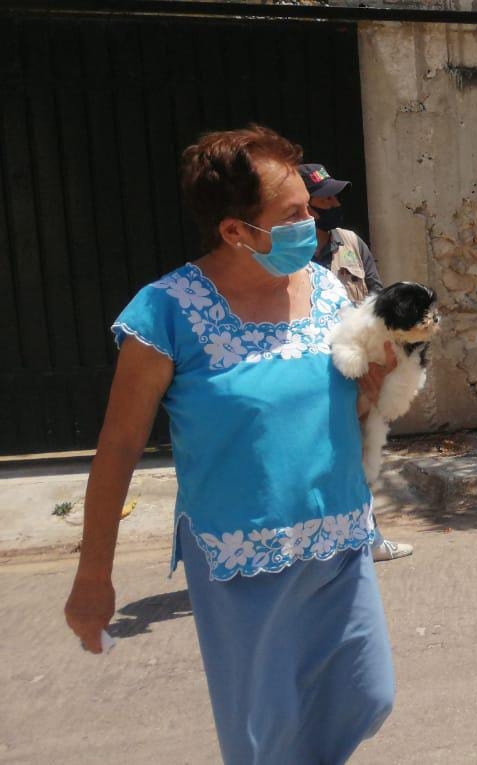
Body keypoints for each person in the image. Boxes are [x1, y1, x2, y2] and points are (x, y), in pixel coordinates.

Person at [64, 126, 395, 764]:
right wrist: (93, 576)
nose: (313, 224)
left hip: (339, 541)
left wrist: (374, 385)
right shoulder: (166, 312)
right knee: (265, 738)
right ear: (235, 231)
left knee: (366, 695)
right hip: (243, 558)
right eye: (293, 214)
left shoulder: (326, 291)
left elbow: (345, 406)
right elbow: (119, 444)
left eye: (310, 206)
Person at [301, 162, 413, 563]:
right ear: (305, 206)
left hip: (355, 367)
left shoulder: (349, 242)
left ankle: (369, 536)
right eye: (324, 198)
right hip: (309, 374)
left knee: (360, 453)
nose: (334, 204)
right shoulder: (286, 254)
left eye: (335, 196)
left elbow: (378, 298)